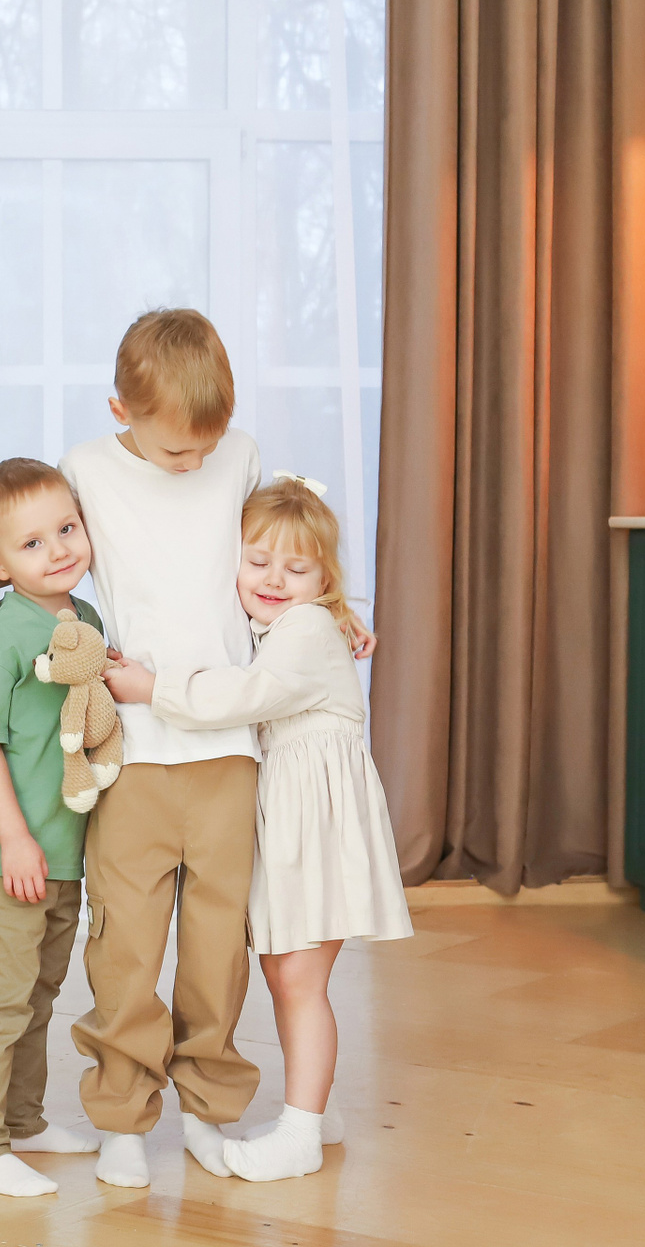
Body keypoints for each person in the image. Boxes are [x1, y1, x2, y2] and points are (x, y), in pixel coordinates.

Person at [0, 309, 260, 1188]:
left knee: (218, 951)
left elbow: (278, 550)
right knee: (124, 950)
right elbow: (34, 536)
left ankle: (208, 1111)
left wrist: (335, 612)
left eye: (207, 444)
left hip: (227, 745)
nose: (194, 461)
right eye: (175, 448)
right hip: (131, 754)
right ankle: (122, 1117)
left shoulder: (240, 456)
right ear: (121, 411)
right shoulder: (86, 467)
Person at [104, 477, 408, 1182]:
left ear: (324, 580)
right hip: (297, 818)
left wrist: (153, 688)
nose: (273, 580)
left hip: (319, 822)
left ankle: (300, 1135)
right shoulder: (287, 626)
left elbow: (244, 694)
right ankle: (317, 1112)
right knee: (286, 973)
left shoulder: (305, 630)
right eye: (258, 562)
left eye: (295, 569)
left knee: (297, 977)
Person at [0, 459, 107, 1198]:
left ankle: (23, 1121)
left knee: (40, 994)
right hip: (8, 854)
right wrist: (14, 837)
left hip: (65, 849)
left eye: (67, 529)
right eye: (32, 544)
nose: (59, 550)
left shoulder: (87, 622)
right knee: (2, 1000)